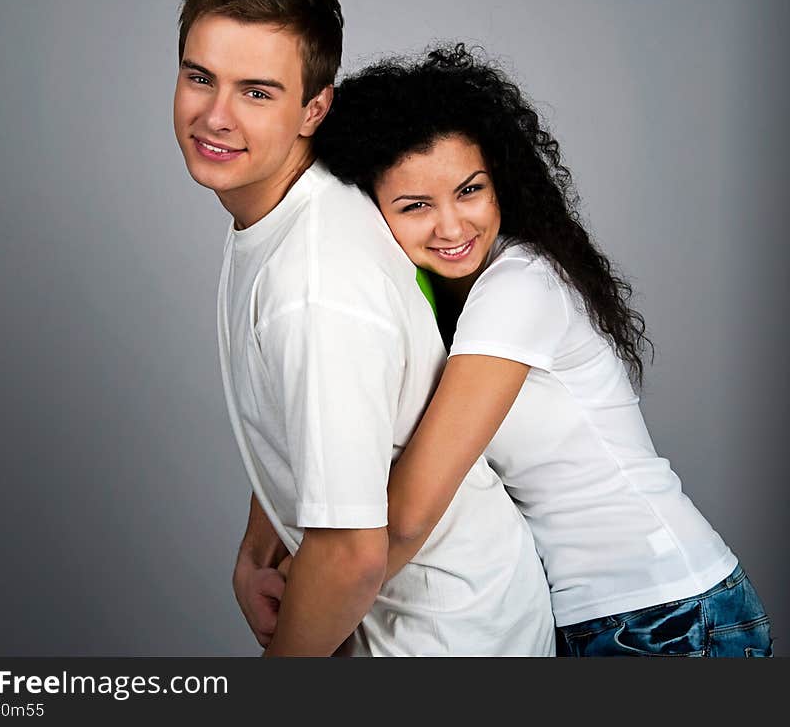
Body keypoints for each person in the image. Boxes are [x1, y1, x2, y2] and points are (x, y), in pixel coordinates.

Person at [311, 43, 774, 658]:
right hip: (605, 618)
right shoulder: (436, 301)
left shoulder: (518, 286)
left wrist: (316, 612)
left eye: (469, 190)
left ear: (501, 179)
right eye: (416, 205)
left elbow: (410, 512)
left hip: (666, 616)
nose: (452, 226)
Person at [173, 0, 554, 656]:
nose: (215, 115)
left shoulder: (316, 279)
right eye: (200, 77)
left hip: (450, 638)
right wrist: (257, 550)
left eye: (257, 92)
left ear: (314, 108)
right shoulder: (286, 208)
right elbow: (319, 414)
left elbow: (351, 553)